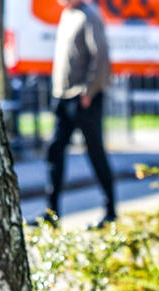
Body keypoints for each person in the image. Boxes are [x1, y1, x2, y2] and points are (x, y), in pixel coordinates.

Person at [46, 0, 117, 225]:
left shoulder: (89, 16)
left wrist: (89, 91)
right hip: (62, 95)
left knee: (95, 152)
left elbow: (101, 55)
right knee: (55, 151)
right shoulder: (67, 15)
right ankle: (51, 213)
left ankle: (110, 210)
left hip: (82, 98)